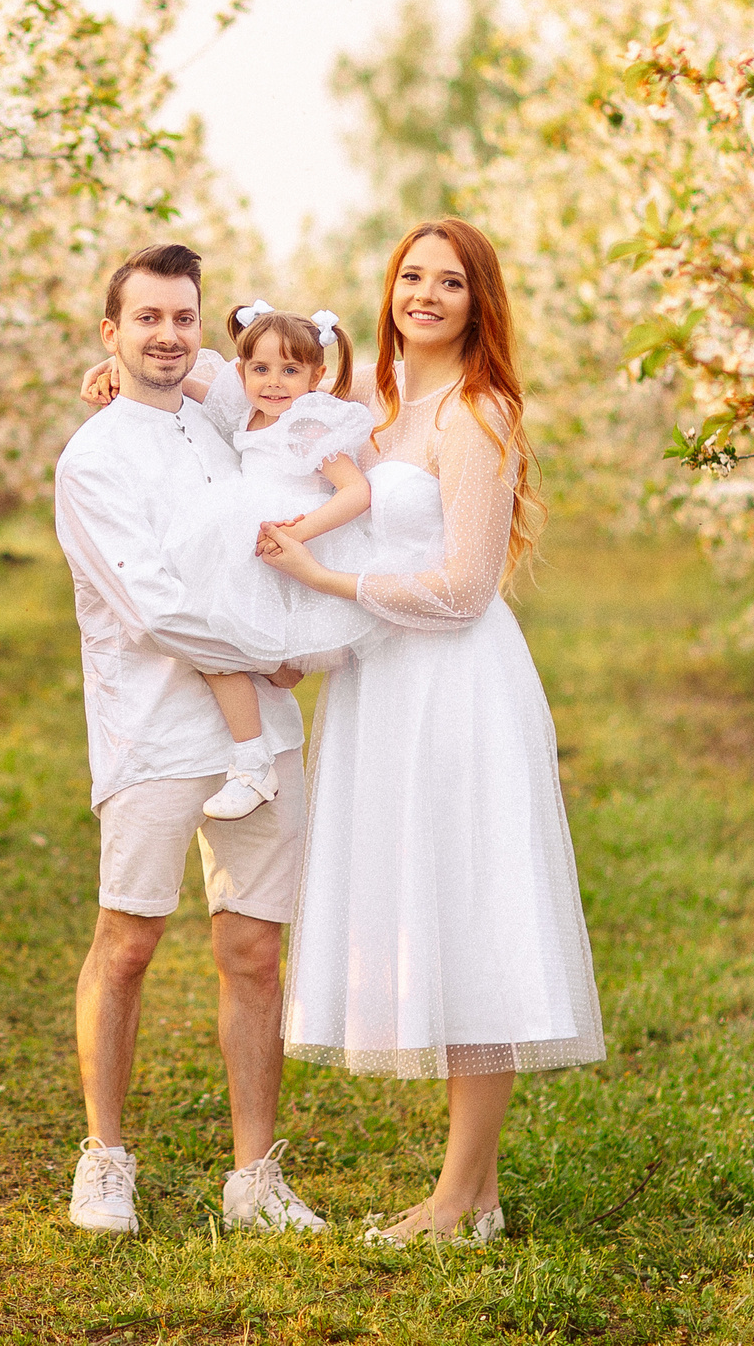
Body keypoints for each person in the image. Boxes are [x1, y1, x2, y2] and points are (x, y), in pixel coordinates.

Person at [261, 217, 607, 1245]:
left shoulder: (478, 413)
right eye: (411, 275)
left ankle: (458, 1199)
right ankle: (473, 1195)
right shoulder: (374, 402)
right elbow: (257, 392)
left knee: (474, 917)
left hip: (456, 688)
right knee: (435, 915)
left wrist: (324, 581)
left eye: (449, 282)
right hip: (382, 685)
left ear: (476, 301)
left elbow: (462, 589)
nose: (425, 294)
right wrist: (138, 381)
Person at [50, 244, 328, 1239]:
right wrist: (280, 651)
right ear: (111, 332)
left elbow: (284, 382)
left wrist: (289, 644)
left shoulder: (226, 420)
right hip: (153, 727)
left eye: (182, 317)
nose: (166, 335)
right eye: (146, 318)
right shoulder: (93, 460)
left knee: (254, 950)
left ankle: (254, 1175)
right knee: (128, 940)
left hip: (261, 732)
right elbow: (156, 609)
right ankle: (104, 1158)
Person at [163, 300, 379, 822]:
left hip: (285, 547)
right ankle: (252, 759)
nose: (274, 382)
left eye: (290, 370)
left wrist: (300, 532)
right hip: (245, 544)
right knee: (216, 646)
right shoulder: (245, 411)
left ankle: (254, 760)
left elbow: (356, 491)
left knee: (250, 660)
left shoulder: (306, 424)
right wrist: (113, 369)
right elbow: (185, 384)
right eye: (260, 368)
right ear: (242, 372)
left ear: (316, 376)